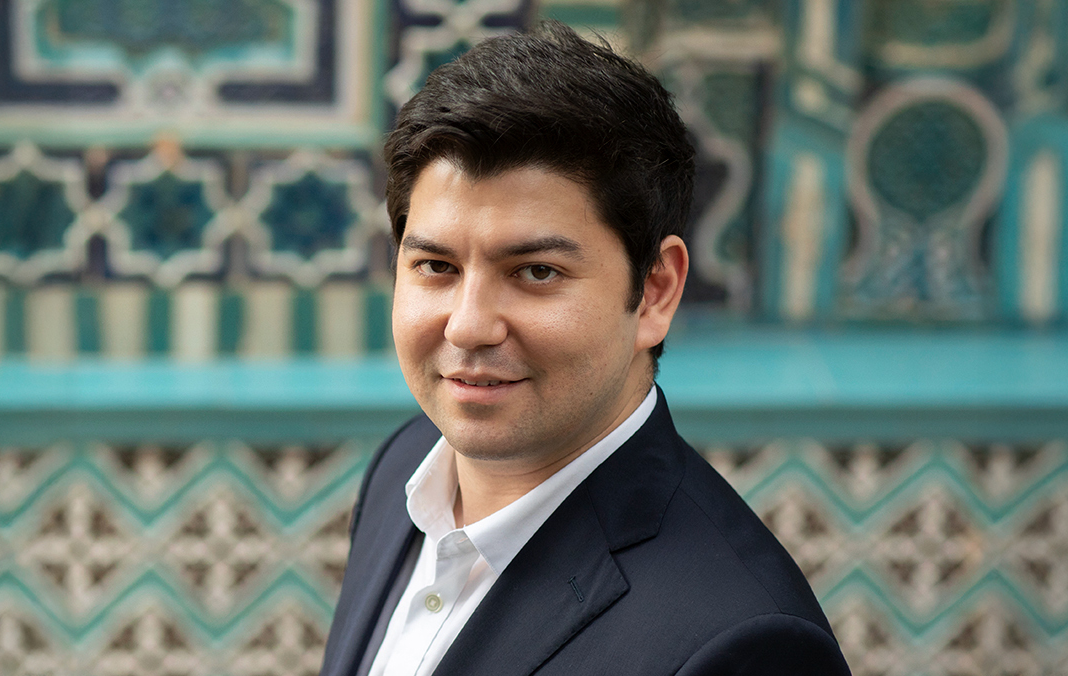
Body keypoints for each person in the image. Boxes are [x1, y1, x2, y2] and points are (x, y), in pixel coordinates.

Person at [319, 20, 851, 676]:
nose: (468, 327)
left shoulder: (740, 645)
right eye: (436, 266)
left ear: (655, 291)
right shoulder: (405, 464)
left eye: (535, 272)